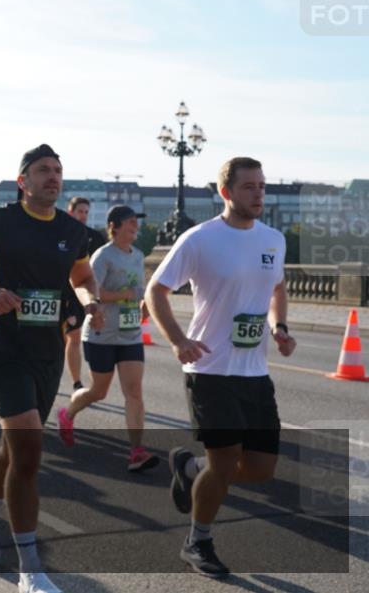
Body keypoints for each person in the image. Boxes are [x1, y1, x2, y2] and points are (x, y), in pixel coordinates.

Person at [0, 144, 103, 593]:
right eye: (43, 170)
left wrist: (91, 300)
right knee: (29, 450)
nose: (53, 177)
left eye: (58, 170)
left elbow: (82, 277)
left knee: (16, 449)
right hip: (4, 349)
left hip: (48, 352)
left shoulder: (72, 230)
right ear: (23, 181)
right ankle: (30, 570)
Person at [145, 157, 296, 578]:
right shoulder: (200, 239)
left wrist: (279, 327)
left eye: (262, 186)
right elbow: (156, 290)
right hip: (209, 369)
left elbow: (278, 288)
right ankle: (198, 540)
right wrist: (178, 339)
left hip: (254, 372)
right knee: (226, 464)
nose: (259, 193)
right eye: (249, 187)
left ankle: (190, 468)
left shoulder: (273, 239)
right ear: (226, 193)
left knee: (261, 470)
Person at [57, 205, 159, 472]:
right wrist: (125, 294)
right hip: (101, 334)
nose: (135, 226)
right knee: (98, 392)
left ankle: (137, 451)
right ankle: (67, 413)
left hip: (130, 335)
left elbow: (139, 289)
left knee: (134, 392)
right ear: (114, 226)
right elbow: (93, 290)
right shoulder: (103, 256)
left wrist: (143, 304)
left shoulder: (138, 255)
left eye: (136, 222)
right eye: (130, 222)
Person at [63, 197, 108, 390]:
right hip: (65, 293)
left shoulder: (95, 237)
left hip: (87, 293)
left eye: (86, 212)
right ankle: (74, 382)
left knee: (74, 337)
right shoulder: (60, 233)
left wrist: (100, 296)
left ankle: (78, 382)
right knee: (70, 337)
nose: (84, 215)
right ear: (71, 212)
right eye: (80, 211)